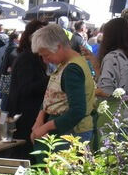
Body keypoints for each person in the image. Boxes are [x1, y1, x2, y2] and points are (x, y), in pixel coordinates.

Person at [30, 24, 96, 153]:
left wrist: (45, 128)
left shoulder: (72, 69)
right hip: (62, 129)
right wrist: (39, 120)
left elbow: (77, 111)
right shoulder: (66, 64)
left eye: (46, 55)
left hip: (72, 133)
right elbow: (52, 95)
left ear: (59, 47)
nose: (45, 60)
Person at [2, 20, 49, 159]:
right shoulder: (27, 58)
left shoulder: (33, 58)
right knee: (25, 155)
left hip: (28, 115)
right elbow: (25, 89)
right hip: (25, 117)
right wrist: (50, 80)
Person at [93, 17, 128, 111]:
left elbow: (106, 91)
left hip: (113, 113)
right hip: (127, 109)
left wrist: (86, 92)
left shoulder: (112, 57)